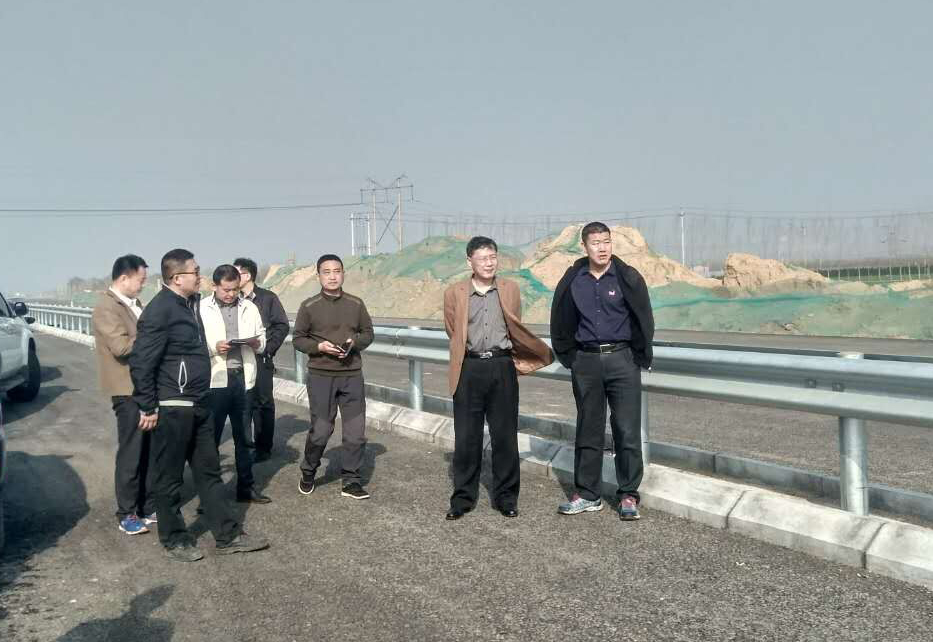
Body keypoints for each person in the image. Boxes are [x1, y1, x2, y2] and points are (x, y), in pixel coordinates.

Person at [129, 248, 269, 561]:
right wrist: (148, 405)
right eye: (195, 271)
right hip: (172, 404)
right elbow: (141, 361)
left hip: (199, 401)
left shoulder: (190, 304)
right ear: (177, 278)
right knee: (169, 477)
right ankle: (175, 539)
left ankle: (227, 535)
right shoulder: (160, 310)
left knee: (209, 472)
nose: (199, 275)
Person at [549, 222, 655, 521]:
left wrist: (638, 355)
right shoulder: (574, 280)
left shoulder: (627, 277)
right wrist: (572, 358)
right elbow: (560, 320)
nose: (602, 248)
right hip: (586, 362)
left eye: (606, 241)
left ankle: (628, 495)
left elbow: (644, 317)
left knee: (627, 429)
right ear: (584, 246)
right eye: (596, 243)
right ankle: (588, 494)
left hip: (622, 360)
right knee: (588, 429)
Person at [442, 236, 553, 520]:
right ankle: (463, 499)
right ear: (469, 261)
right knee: (466, 437)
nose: (489, 263)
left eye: (492, 257)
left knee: (505, 436)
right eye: (482, 258)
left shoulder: (510, 288)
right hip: (468, 367)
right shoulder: (455, 292)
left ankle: (506, 498)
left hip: (501, 366)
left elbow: (515, 324)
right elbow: (452, 329)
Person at [292, 254, 374, 500]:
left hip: (351, 375)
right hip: (321, 376)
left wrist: (354, 342)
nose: (332, 276)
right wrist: (319, 347)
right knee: (321, 429)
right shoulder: (309, 306)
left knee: (355, 432)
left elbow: (368, 333)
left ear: (343, 274)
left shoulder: (356, 304)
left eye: (336, 271)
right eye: (326, 272)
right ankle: (308, 471)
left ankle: (351, 480)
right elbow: (298, 339)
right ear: (318, 276)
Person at [92, 254, 156, 536]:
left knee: (149, 450)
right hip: (126, 389)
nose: (143, 285)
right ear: (124, 278)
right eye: (141, 280)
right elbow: (121, 347)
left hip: (145, 387)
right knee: (132, 452)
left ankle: (146, 506)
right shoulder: (106, 307)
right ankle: (127, 513)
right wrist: (154, 336)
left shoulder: (134, 304)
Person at [200, 264, 269, 503]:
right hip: (215, 380)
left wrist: (256, 343)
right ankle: (210, 496)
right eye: (226, 290)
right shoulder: (202, 309)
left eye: (235, 289)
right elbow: (194, 343)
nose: (231, 294)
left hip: (243, 379)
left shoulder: (250, 307)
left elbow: (262, 338)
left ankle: (246, 488)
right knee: (211, 439)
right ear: (214, 286)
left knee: (245, 439)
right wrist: (214, 348)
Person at [233, 257, 290, 462]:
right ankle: (245, 447)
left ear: (247, 275)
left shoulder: (267, 298)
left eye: (236, 273)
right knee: (242, 404)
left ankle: (263, 448)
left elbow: (282, 325)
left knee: (263, 404)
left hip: (261, 358)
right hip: (238, 358)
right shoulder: (233, 298)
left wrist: (268, 349)